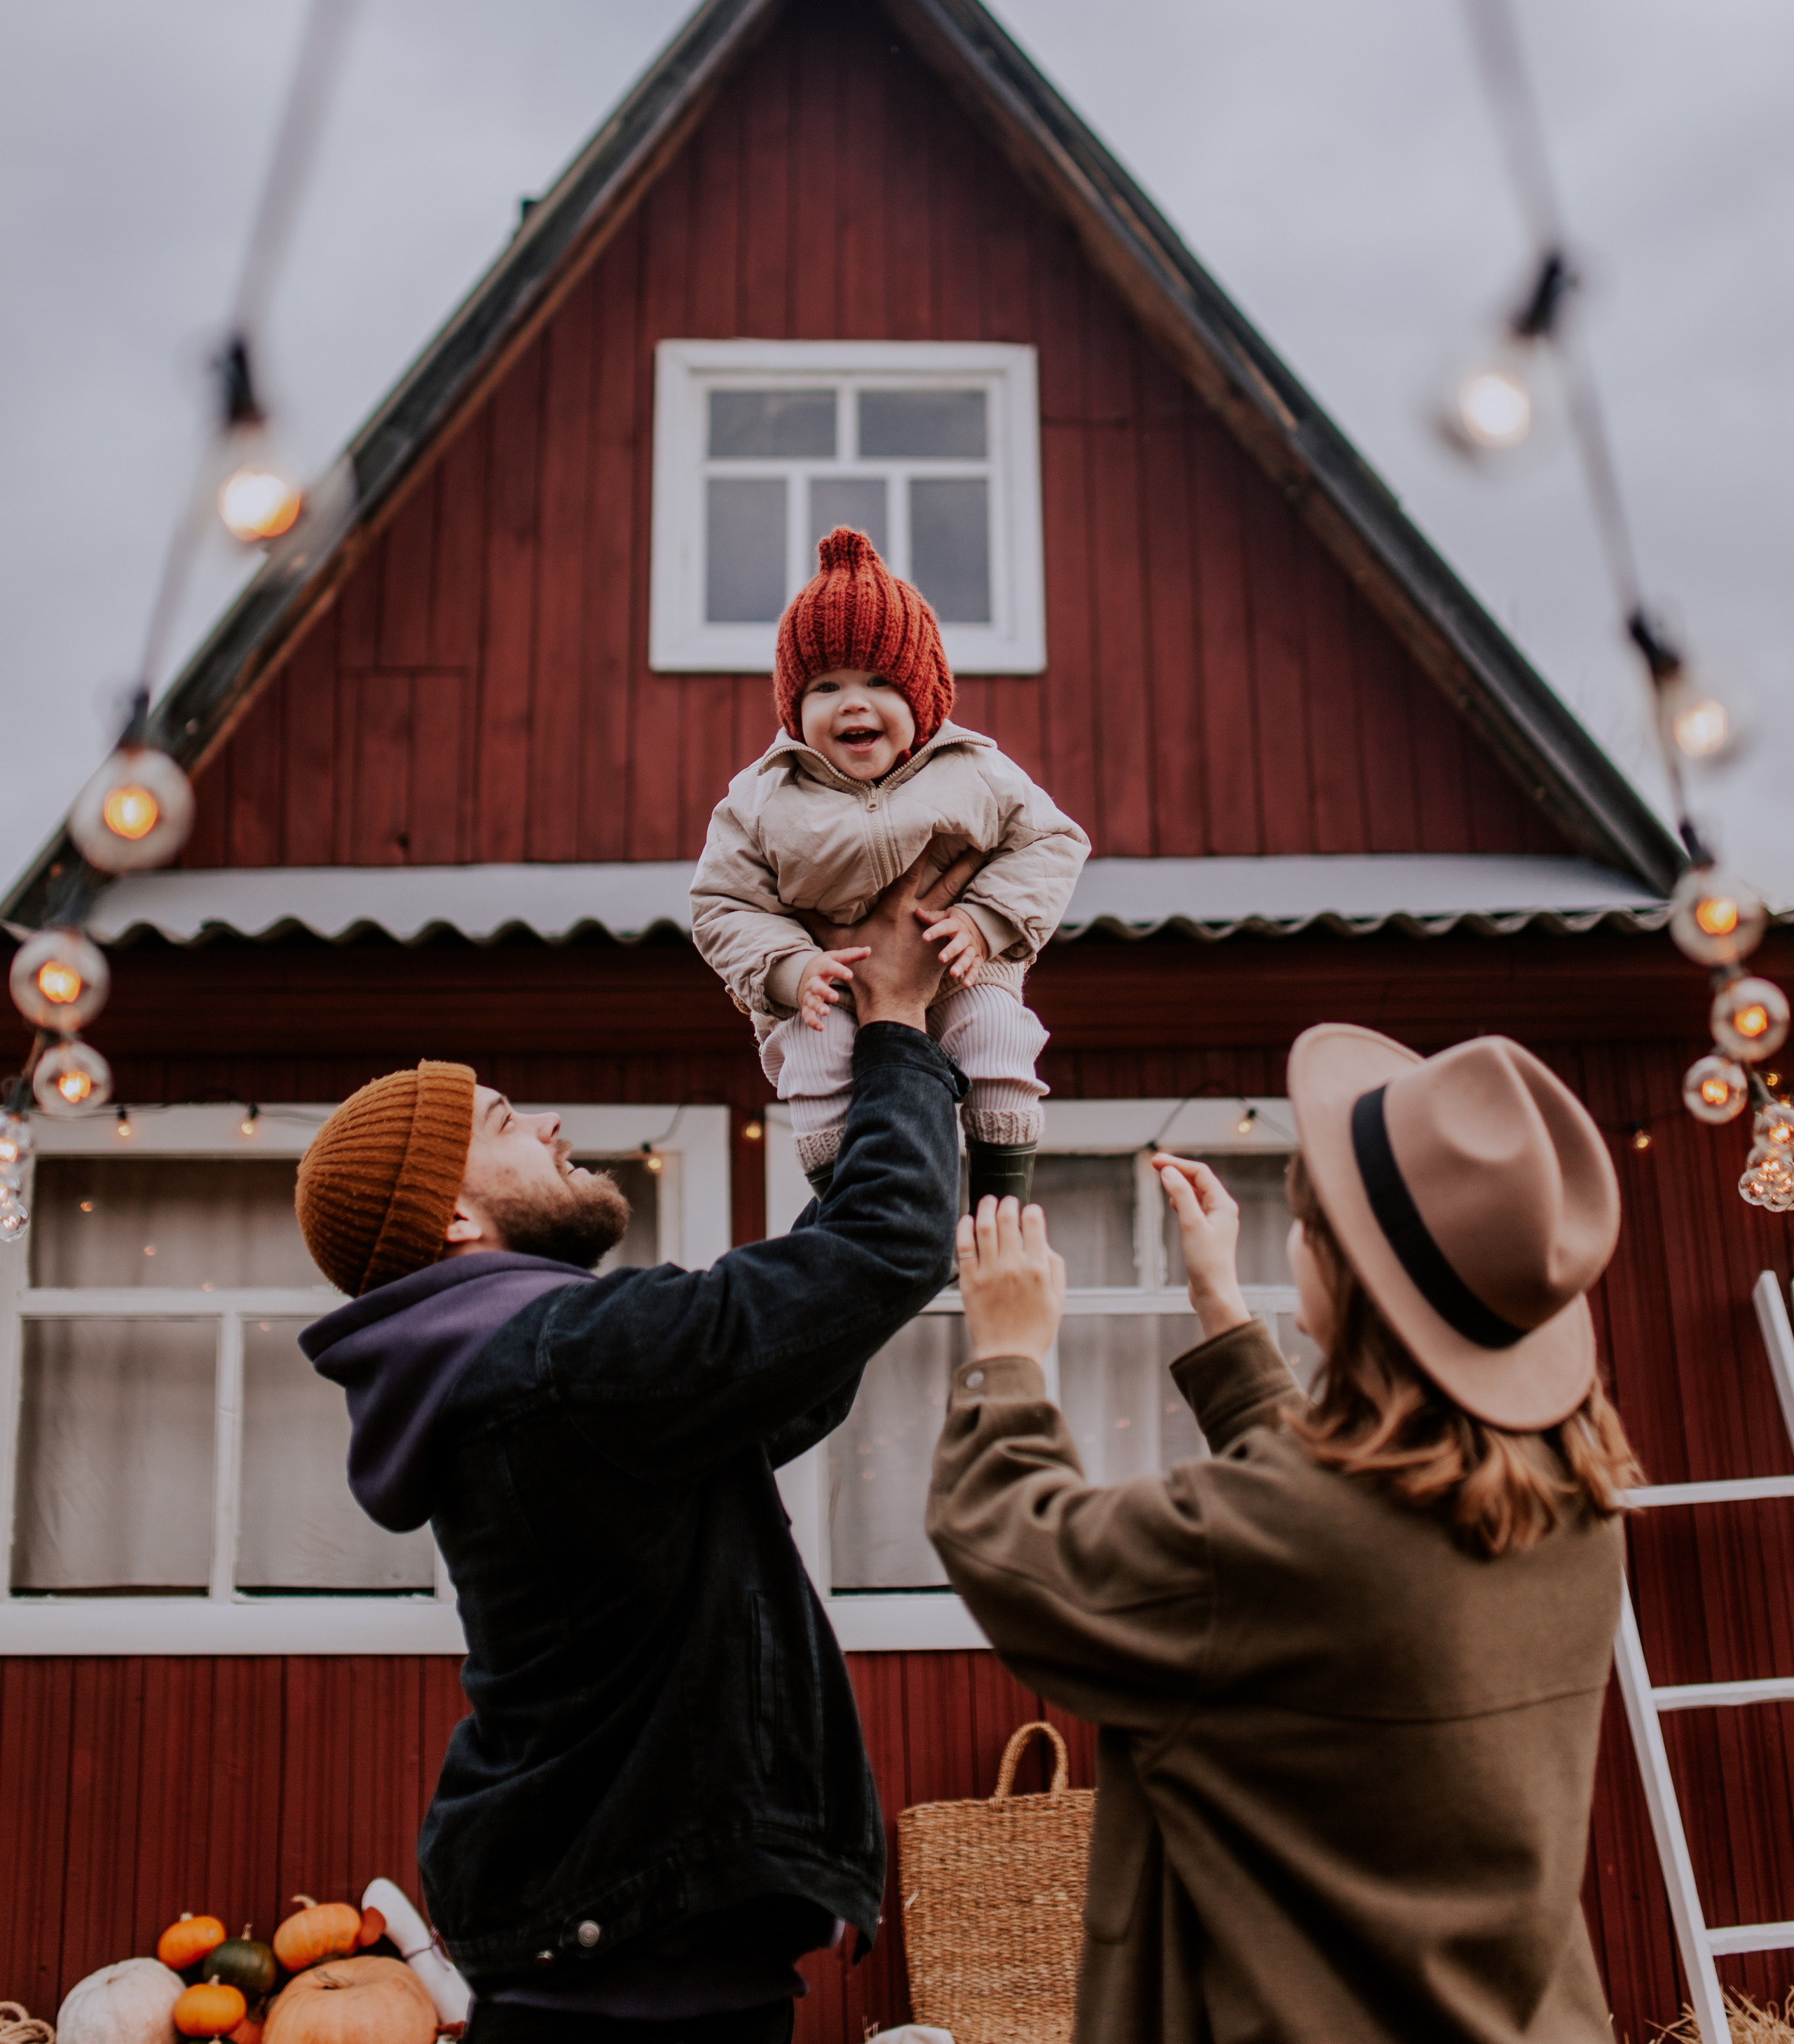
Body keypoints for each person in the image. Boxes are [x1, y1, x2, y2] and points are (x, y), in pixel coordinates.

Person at [294, 844, 982, 2044]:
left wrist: (870, 1094)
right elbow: (883, 1251)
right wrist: (897, 1026)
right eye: (506, 1122)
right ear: (452, 1215)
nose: (549, 1123)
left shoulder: (522, 1369)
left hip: (621, 1954)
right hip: (636, 1979)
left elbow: (798, 1365)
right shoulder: (561, 1360)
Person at [927, 1022, 1641, 2044]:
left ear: (1344, 1277)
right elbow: (1340, 1547)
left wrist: (1009, 1355)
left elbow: (1010, 1540)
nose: (1293, 1238)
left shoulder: (1292, 1540)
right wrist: (1221, 1309)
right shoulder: (1569, 1502)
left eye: (1306, 1222)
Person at [690, 526, 1088, 1205]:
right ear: (794, 708)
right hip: (826, 983)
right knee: (816, 1059)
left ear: (922, 696)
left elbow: (1051, 842)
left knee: (998, 1036)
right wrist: (789, 968)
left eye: (879, 681)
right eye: (825, 686)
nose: (853, 701)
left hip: (961, 964)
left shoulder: (973, 768)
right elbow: (723, 905)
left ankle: (998, 1204)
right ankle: (854, 1213)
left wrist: (984, 921)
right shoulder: (762, 796)